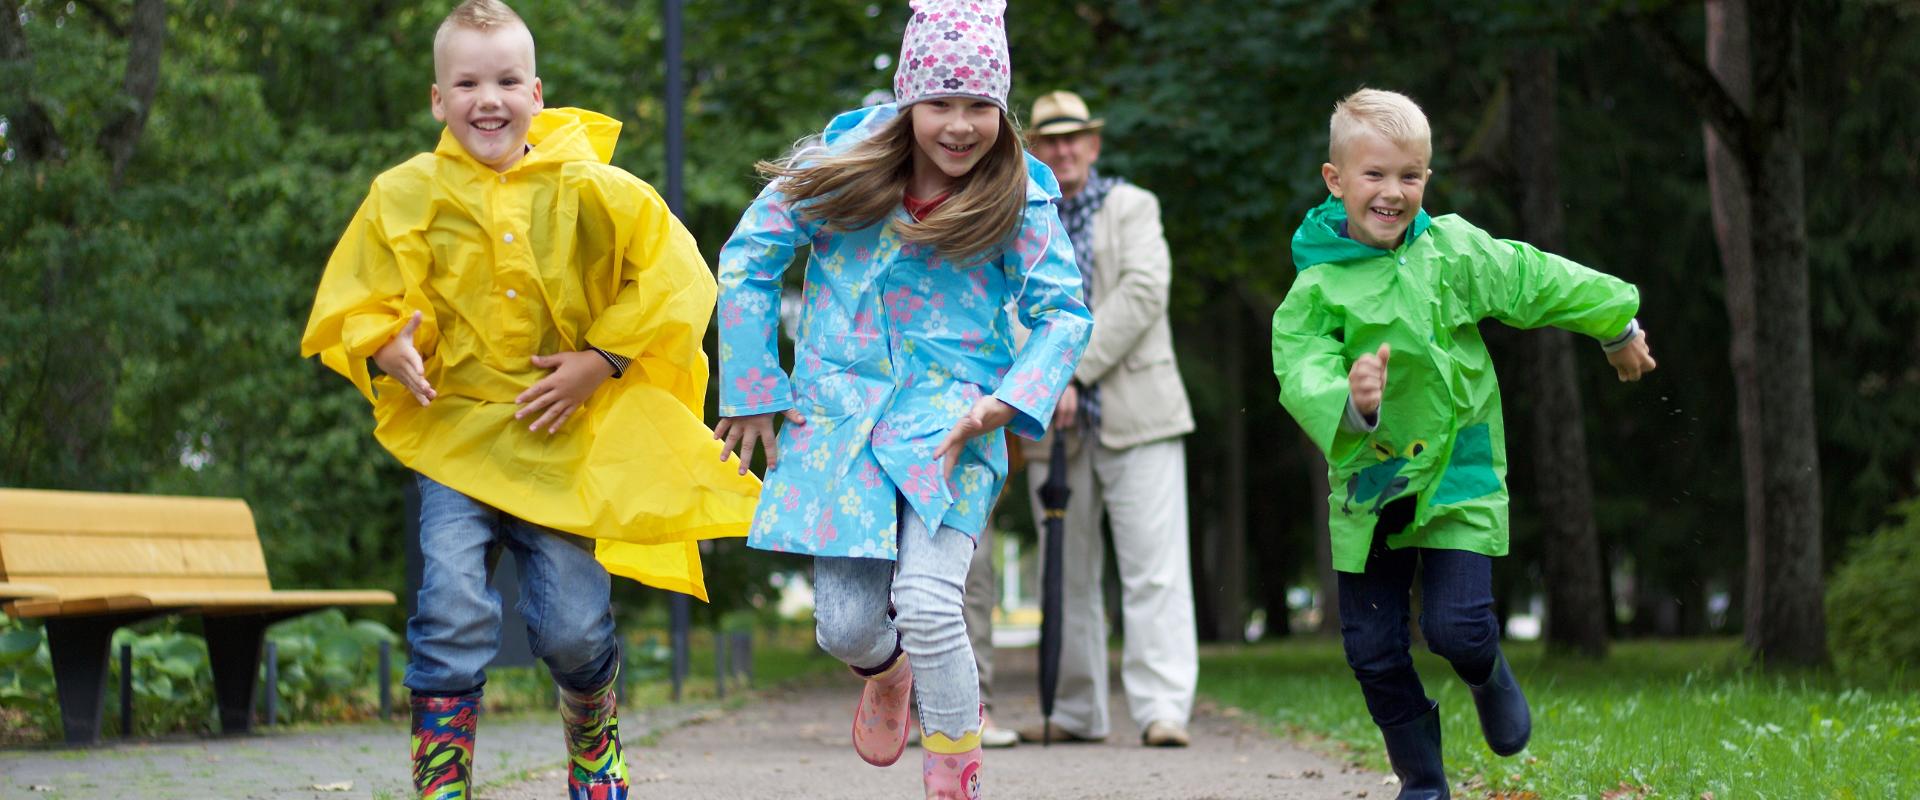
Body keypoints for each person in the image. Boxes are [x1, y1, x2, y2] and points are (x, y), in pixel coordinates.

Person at [300, 2, 760, 797]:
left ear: (537, 92)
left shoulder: (591, 187)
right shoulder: (404, 194)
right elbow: (358, 295)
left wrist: (601, 359)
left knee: (573, 629)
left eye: (507, 80)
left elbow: (677, 270)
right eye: (468, 82)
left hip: (559, 443)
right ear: (438, 100)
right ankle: (442, 781)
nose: (489, 98)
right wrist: (386, 342)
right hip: (456, 439)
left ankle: (592, 729)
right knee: (450, 610)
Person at [711, 0, 1092, 794]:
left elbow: (1064, 313)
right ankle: (888, 676)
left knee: (925, 600)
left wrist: (1004, 404)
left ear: (1002, 108)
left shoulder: (1016, 194)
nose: (960, 125)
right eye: (941, 103)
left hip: (953, 423)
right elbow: (747, 259)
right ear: (907, 98)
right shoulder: (838, 170)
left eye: (980, 105)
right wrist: (752, 387)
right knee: (845, 626)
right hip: (840, 419)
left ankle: (956, 777)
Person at [1270, 88, 1657, 799]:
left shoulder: (1452, 251)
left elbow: (1536, 278)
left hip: (1457, 470)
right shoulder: (1315, 288)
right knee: (1375, 651)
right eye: (1374, 175)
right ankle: (1423, 781)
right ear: (1335, 180)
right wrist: (1348, 401)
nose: (1393, 192)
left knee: (1457, 629)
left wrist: (1618, 323)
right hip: (1374, 480)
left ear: (1427, 179)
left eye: (1410, 176)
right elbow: (1299, 368)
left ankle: (1486, 671)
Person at [1012, 90, 1200, 749]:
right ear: (1033, 147)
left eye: (1075, 138)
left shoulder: (1133, 205)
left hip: (1138, 415)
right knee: (1064, 575)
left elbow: (1145, 292)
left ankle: (1162, 709)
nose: (1063, 150)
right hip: (1053, 428)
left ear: (1093, 145)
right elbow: (1008, 307)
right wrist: (1040, 384)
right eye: (1050, 139)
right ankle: (1075, 712)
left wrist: (1066, 369)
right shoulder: (1016, 216)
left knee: (1154, 570)